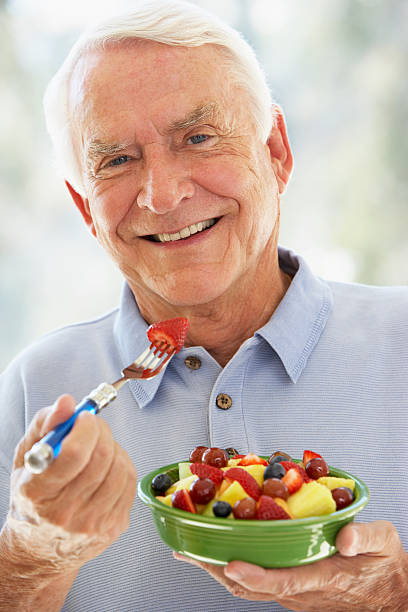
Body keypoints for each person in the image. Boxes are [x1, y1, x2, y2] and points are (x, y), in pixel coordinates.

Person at [0, 1, 407, 610]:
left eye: (198, 137)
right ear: (86, 210)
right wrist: (30, 559)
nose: (162, 195)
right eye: (116, 160)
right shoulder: (36, 387)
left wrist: (394, 597)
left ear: (276, 152)